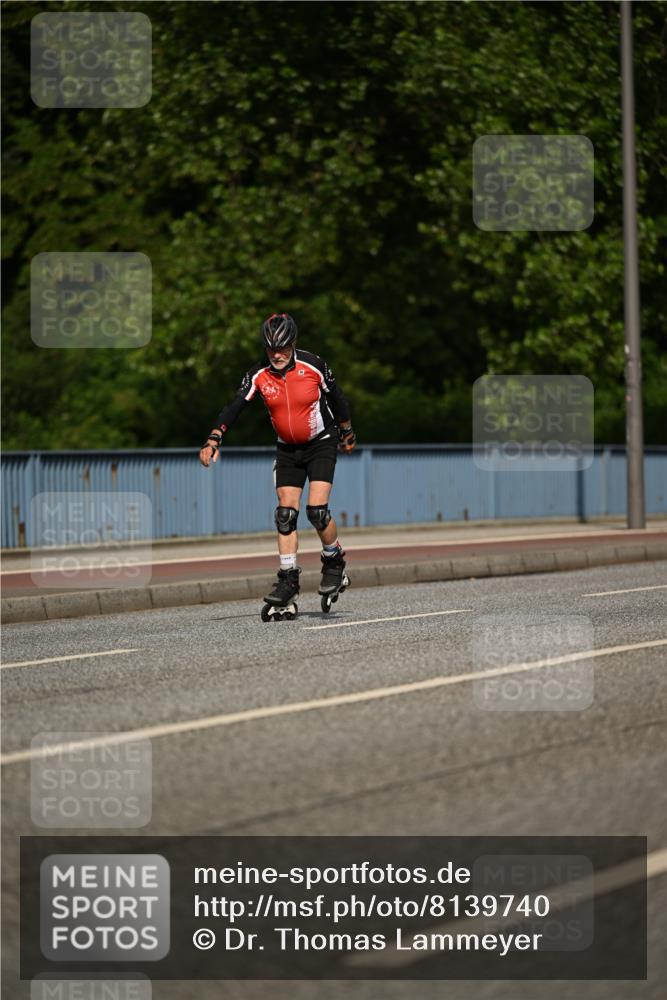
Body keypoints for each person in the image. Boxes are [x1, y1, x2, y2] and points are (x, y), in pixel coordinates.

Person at [199, 312, 356, 612]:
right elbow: (235, 405)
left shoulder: (314, 365)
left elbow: (338, 398)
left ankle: (334, 560)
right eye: (271, 349)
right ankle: (288, 580)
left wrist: (347, 431)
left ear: (293, 343)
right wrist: (214, 437)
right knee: (285, 515)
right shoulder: (259, 374)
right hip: (287, 450)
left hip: (321, 442)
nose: (277, 354)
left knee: (317, 512)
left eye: (283, 347)